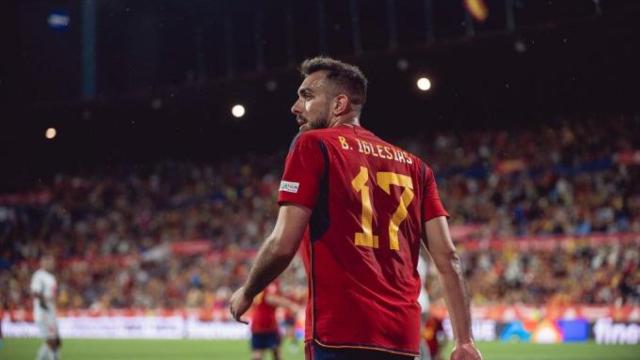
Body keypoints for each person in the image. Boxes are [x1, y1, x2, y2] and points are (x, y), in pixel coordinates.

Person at [229, 56, 482, 360]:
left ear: (339, 104)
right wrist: (464, 340)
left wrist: (247, 291)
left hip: (339, 333)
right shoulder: (417, 168)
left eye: (307, 96)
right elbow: (448, 258)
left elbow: (283, 244)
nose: (295, 107)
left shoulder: (313, 145)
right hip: (401, 338)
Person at [249, 281, 299, 360]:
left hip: (258, 323)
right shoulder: (271, 282)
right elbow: (270, 298)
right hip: (268, 324)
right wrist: (290, 305)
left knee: (257, 354)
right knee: (276, 352)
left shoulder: (260, 281)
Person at [30, 254, 61, 360]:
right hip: (43, 312)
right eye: (48, 261)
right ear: (42, 263)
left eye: (51, 262)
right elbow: (35, 292)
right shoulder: (39, 275)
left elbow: (52, 294)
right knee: (51, 341)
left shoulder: (51, 277)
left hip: (51, 312)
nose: (51, 264)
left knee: (57, 341)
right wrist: (44, 301)